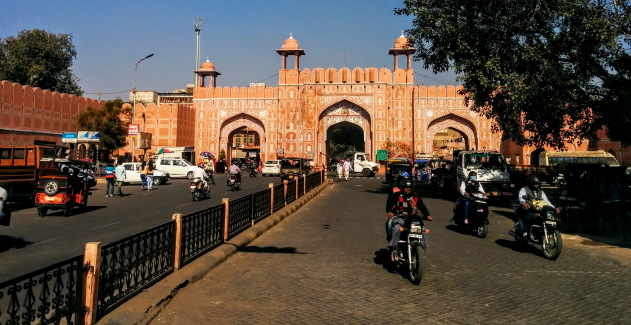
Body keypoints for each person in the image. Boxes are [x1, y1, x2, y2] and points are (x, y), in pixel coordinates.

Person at [385, 179, 432, 261]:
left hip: (412, 219)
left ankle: (422, 246)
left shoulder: (416, 196)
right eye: (406, 187)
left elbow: (422, 206)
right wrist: (389, 212)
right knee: (396, 228)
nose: (408, 189)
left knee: (422, 229)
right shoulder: (397, 195)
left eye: (409, 187)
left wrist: (427, 215)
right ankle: (393, 248)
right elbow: (389, 204)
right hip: (400, 218)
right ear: (402, 188)